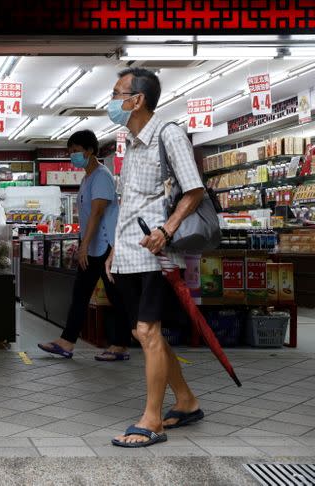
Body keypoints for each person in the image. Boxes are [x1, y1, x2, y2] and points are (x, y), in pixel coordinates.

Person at [105, 67, 206, 448]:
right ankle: (186, 400)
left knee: (148, 332)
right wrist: (115, 249)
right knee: (141, 332)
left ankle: (152, 421)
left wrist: (167, 229)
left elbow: (193, 190)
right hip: (130, 254)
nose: (112, 102)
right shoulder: (130, 143)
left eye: (117, 93)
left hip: (157, 254)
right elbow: (131, 204)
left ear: (137, 100)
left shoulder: (169, 134)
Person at [37, 130, 131, 362]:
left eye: (76, 151)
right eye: (70, 152)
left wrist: (83, 245)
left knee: (116, 297)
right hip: (93, 246)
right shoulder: (88, 177)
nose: (73, 156)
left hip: (107, 246)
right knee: (80, 294)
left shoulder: (101, 176)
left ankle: (120, 345)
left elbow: (98, 213)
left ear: (90, 151)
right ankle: (67, 342)